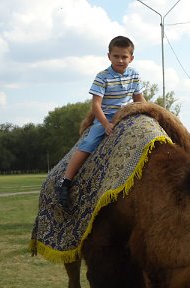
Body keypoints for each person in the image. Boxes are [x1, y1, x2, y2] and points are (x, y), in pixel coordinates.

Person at [58, 35, 146, 208]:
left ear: (131, 58)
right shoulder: (102, 77)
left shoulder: (134, 75)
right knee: (89, 142)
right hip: (106, 116)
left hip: (128, 113)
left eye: (124, 57)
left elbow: (139, 100)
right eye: (116, 56)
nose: (120, 60)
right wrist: (106, 124)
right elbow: (96, 105)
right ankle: (66, 181)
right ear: (109, 56)